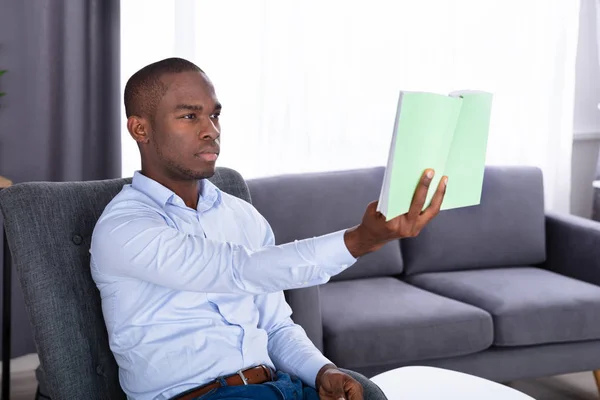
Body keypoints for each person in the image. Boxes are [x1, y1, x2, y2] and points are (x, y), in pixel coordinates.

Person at [90, 57, 447, 400]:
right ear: (140, 129)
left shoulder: (243, 216)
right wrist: (360, 240)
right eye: (189, 116)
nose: (211, 131)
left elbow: (276, 327)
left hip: (282, 388)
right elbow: (237, 270)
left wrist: (322, 372)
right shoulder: (125, 227)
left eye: (214, 115)